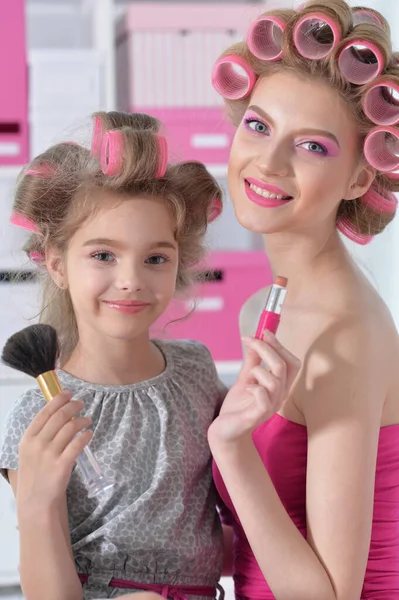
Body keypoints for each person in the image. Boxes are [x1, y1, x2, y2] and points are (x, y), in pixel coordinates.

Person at [208, 1, 399, 599]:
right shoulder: (264, 306)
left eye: (312, 146)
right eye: (259, 126)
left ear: (359, 179)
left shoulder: (343, 338)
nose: (268, 161)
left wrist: (229, 448)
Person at [0, 110, 231, 600]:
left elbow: (214, 529)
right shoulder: (40, 420)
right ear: (58, 264)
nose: (130, 279)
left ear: (179, 262)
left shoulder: (196, 369)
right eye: (103, 255)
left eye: (155, 258)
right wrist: (37, 504)